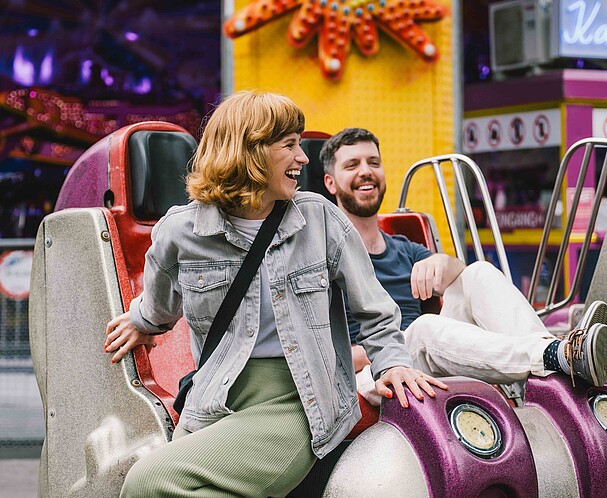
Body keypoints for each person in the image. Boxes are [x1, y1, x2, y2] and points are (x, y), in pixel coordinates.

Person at [103, 93, 447, 498]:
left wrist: (391, 363)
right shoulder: (181, 231)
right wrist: (141, 323)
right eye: (289, 145)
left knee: (150, 482)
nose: (303, 159)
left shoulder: (319, 218)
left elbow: (375, 311)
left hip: (299, 399)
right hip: (215, 394)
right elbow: (161, 304)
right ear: (248, 150)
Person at [320, 127, 607, 405]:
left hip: (429, 355)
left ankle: (550, 382)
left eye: (373, 162)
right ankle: (561, 355)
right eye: (352, 165)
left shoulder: (404, 248)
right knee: (423, 330)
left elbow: (458, 277)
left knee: (477, 272)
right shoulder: (326, 254)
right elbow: (319, 347)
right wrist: (386, 348)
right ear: (330, 183)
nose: (365, 171)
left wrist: (443, 262)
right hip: (375, 371)